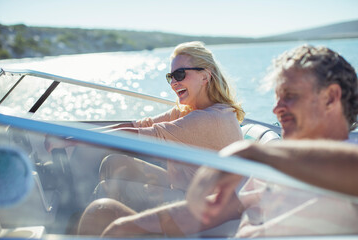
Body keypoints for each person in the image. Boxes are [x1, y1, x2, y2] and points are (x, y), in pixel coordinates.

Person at [78, 44, 358, 238]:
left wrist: (256, 154)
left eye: (291, 96)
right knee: (104, 215)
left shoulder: (347, 160)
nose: (276, 109)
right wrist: (130, 225)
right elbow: (212, 210)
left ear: (331, 98)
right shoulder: (279, 169)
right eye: (277, 97)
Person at [76, 41, 245, 234]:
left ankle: (112, 225)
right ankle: (127, 229)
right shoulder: (190, 110)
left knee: (101, 209)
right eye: (170, 77)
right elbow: (139, 125)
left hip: (203, 214)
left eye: (180, 74)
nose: (174, 82)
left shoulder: (208, 118)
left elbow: (142, 136)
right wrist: (77, 134)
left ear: (205, 76)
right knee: (115, 163)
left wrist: (76, 140)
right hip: (188, 189)